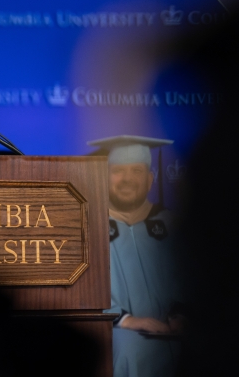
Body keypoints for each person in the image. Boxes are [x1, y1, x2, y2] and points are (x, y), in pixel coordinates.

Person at [87, 135, 185, 377]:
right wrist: (127, 320)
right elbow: (81, 291)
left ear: (150, 179)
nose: (127, 179)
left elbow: (196, 282)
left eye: (137, 171)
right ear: (104, 177)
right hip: (118, 330)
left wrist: (184, 315)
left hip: (176, 329)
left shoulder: (173, 224)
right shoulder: (89, 224)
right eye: (118, 171)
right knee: (128, 348)